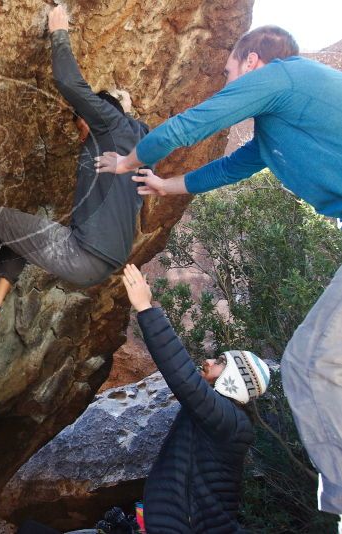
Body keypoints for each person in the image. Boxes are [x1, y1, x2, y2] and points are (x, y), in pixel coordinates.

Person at [95, 25, 342, 524]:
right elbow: (232, 167)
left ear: (250, 62)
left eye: (228, 72)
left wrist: (129, 160)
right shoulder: (275, 128)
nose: (227, 82)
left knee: (312, 365)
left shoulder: (281, 76)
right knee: (309, 365)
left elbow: (192, 125)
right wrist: (167, 184)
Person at [0, 4, 149, 327]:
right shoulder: (138, 145)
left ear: (96, 114)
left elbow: (69, 82)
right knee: (27, 231)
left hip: (83, 253)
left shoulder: (109, 124)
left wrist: (59, 32)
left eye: (78, 119)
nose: (78, 126)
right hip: (104, 263)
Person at [122, 263, 270, 533]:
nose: (209, 361)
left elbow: (183, 378)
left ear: (234, 378)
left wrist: (145, 307)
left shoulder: (226, 420)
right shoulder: (226, 420)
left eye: (220, 361)